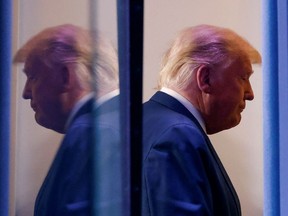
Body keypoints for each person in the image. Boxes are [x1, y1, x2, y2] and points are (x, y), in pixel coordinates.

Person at [142, 24, 261, 215]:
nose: (250, 94)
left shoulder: (146, 122)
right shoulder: (176, 136)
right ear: (205, 78)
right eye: (243, 77)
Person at [13, 24, 121, 215]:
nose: (26, 93)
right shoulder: (120, 122)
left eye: (33, 76)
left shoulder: (91, 132)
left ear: (65, 76)